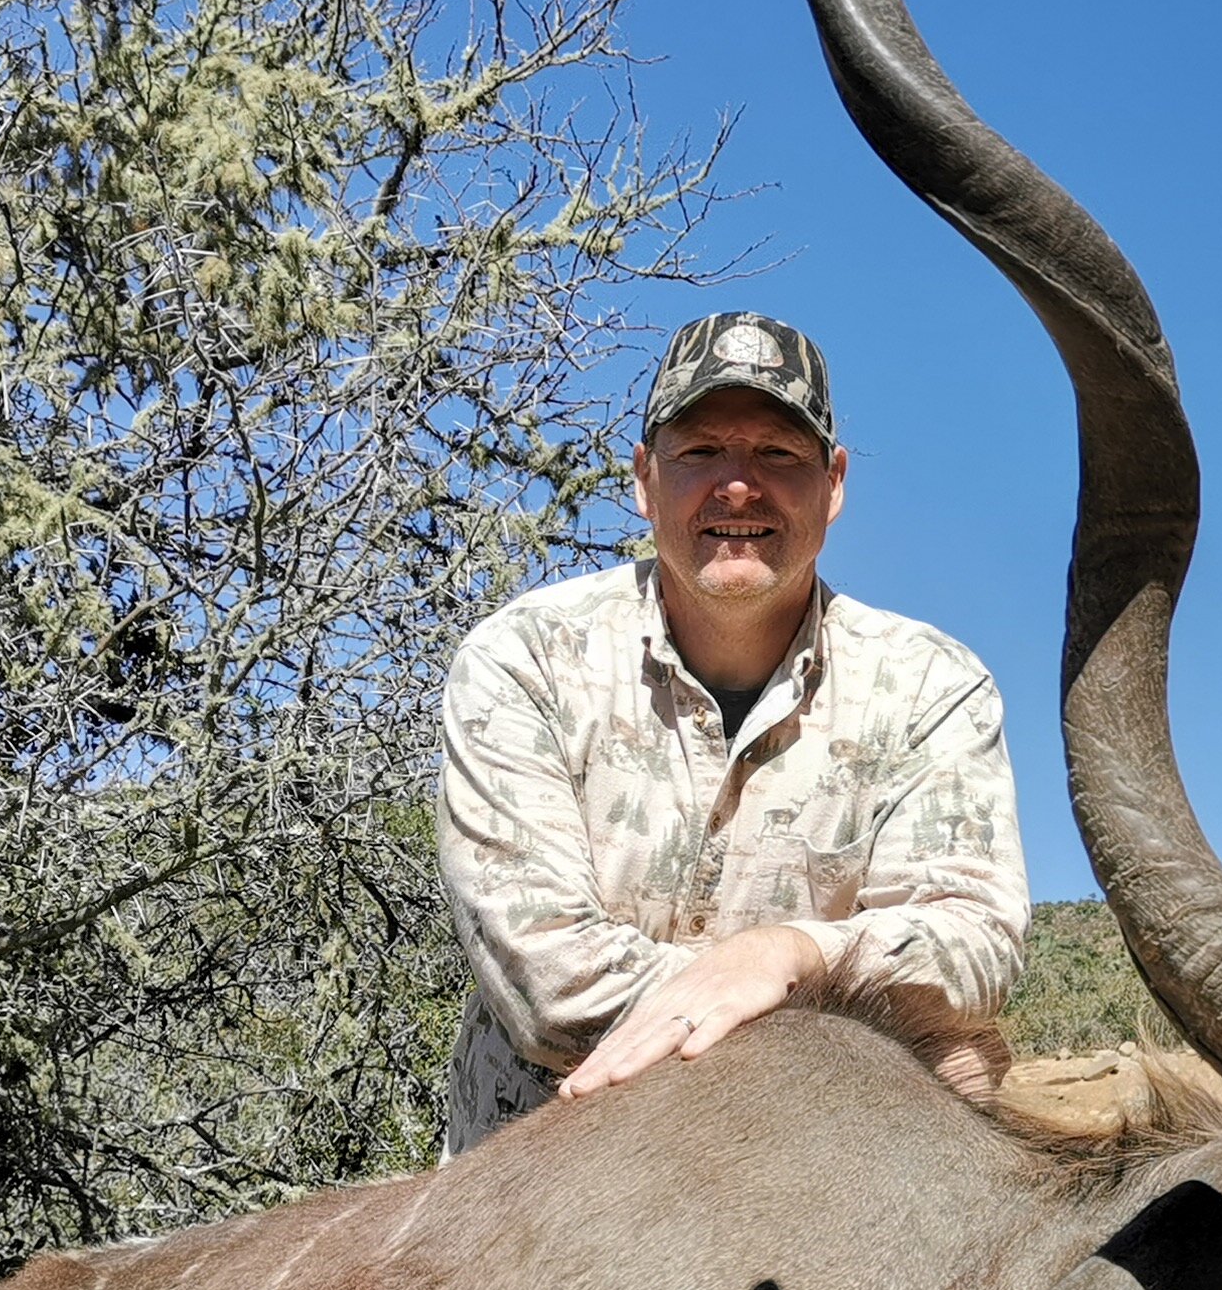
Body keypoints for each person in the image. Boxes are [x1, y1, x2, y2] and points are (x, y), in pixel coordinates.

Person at [435, 311, 1030, 1152]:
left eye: (779, 455)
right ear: (644, 479)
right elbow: (550, 987)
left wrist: (789, 952)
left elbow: (974, 944)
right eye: (701, 451)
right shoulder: (526, 656)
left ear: (834, 483)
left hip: (814, 1188)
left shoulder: (932, 684)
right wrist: (825, 1009)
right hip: (540, 1194)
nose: (739, 486)